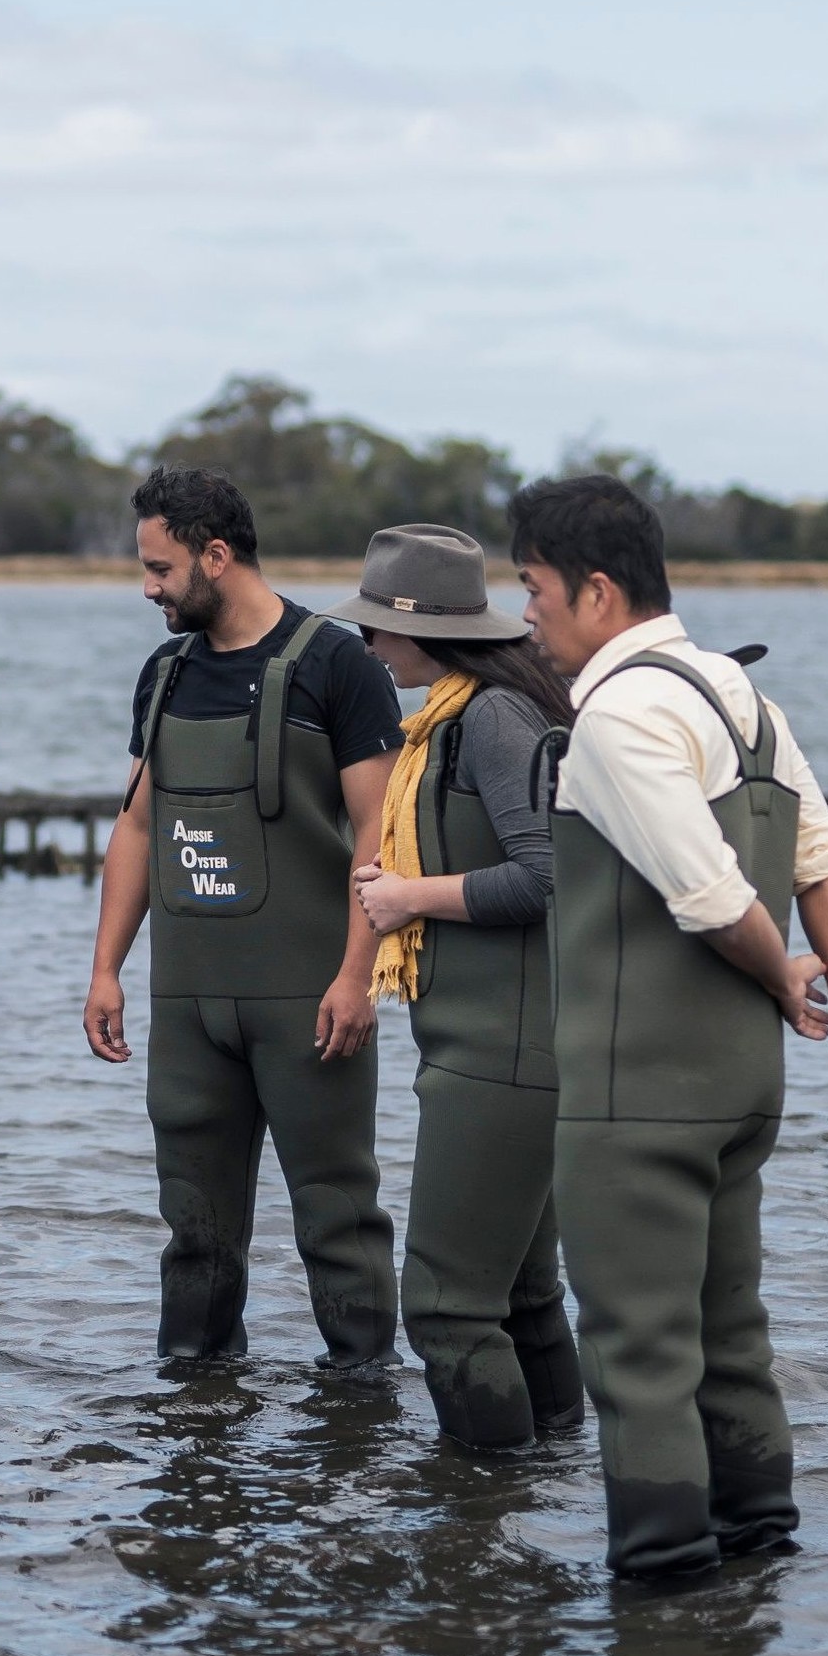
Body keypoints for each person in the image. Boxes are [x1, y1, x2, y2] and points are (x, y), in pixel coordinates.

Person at [513, 473, 828, 1578]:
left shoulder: (616, 714)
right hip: (739, 1091)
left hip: (633, 1090)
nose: (526, 614)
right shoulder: (745, 702)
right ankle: (763, 1564)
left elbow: (710, 899)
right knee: (732, 1341)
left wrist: (789, 979)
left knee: (638, 1356)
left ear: (596, 592)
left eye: (534, 588)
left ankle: (664, 1592)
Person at [84, 467, 402, 1370]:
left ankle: (359, 1410)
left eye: (160, 568)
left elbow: (380, 834)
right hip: (187, 1007)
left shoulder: (340, 664)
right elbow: (138, 825)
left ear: (215, 556)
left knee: (336, 1215)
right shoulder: (163, 673)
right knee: (193, 1228)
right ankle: (191, 1417)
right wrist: (105, 968)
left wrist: (357, 974)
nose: (147, 588)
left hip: (309, 998)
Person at [341, 524, 586, 1451]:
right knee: (522, 1297)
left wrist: (408, 897)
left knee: (445, 1310)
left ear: (428, 632)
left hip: (502, 1057)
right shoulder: (461, 711)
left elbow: (547, 874)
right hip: (501, 1046)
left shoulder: (486, 716)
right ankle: (555, 1481)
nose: (365, 646)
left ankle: (478, 1507)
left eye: (377, 628)